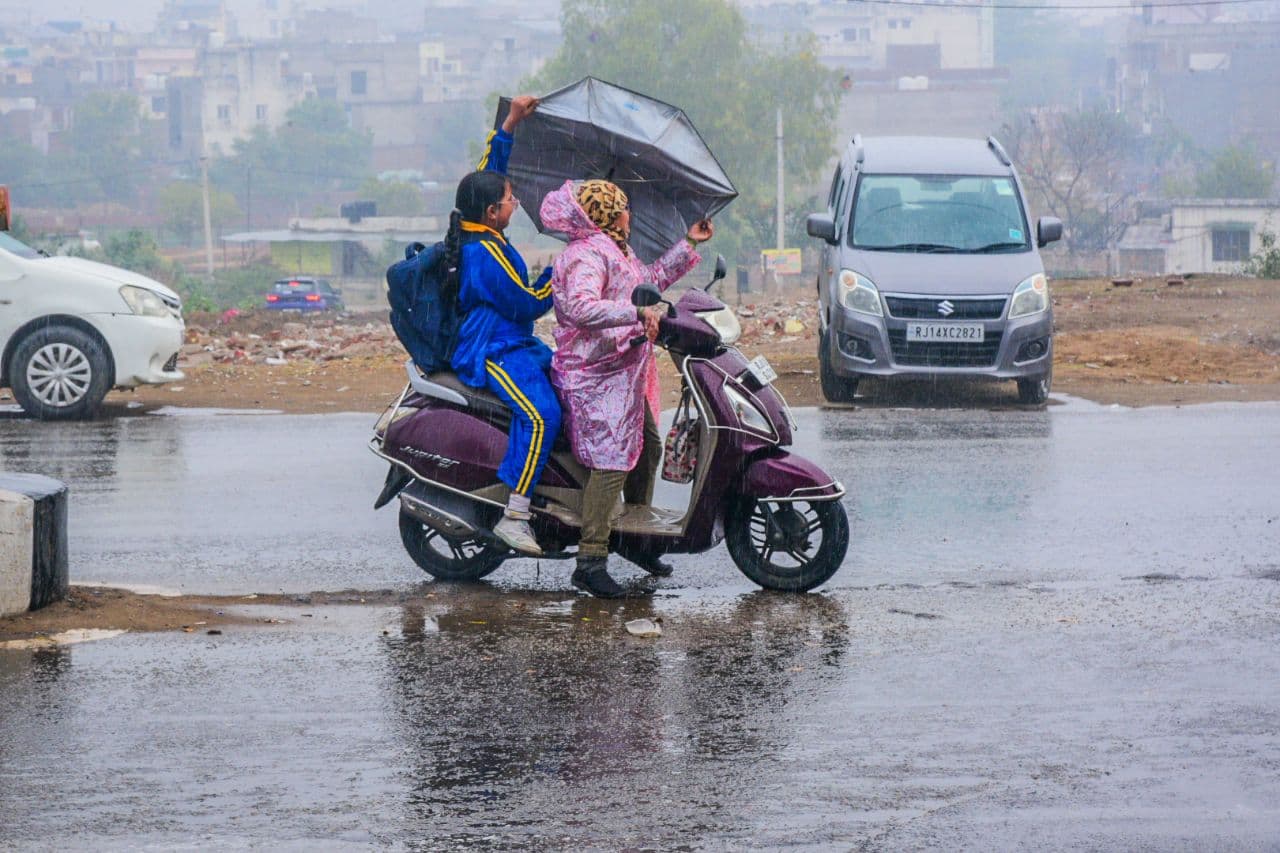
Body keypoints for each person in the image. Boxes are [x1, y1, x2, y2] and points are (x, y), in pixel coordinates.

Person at [540, 178, 713, 598]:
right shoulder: (584, 255)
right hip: (593, 374)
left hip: (621, 371)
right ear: (611, 213)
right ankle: (591, 558)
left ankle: (634, 540)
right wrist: (636, 312)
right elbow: (581, 307)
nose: (630, 214)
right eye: (625, 207)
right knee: (614, 459)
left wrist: (688, 244)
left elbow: (646, 279)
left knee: (648, 448)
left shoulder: (616, 248)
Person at [446, 95, 559, 556]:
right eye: (511, 200)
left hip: (515, 343)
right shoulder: (487, 255)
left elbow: (487, 173)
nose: (515, 203)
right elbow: (530, 304)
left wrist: (510, 123)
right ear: (493, 212)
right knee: (542, 415)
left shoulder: (478, 224)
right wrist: (561, 273)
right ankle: (516, 513)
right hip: (493, 349)